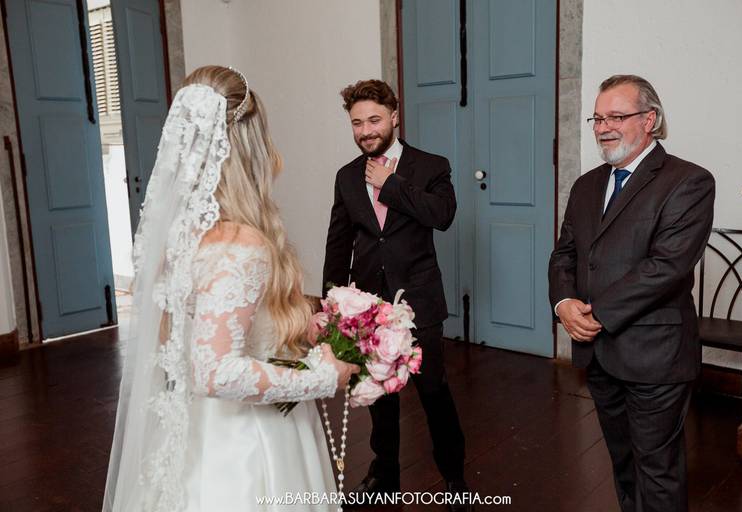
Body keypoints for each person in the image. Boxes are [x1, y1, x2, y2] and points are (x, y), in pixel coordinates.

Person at [102, 65, 359, 512]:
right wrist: (323, 377)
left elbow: (207, 328)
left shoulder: (178, 234)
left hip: (192, 430)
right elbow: (216, 372)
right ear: (248, 145)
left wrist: (297, 323)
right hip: (247, 445)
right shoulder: (241, 245)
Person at [548, 74, 715, 512]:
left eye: (616, 116)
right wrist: (564, 303)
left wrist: (594, 313)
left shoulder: (689, 181)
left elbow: (666, 267)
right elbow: (565, 253)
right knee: (623, 465)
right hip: (599, 354)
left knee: (657, 472)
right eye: (598, 118)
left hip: (655, 354)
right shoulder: (586, 185)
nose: (604, 127)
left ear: (650, 119)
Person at [322, 79, 471, 511]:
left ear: (394, 117)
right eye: (357, 123)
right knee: (379, 395)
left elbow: (443, 215)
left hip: (419, 302)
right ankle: (384, 476)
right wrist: (332, 304)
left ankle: (455, 478)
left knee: (433, 392)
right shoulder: (346, 176)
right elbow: (339, 241)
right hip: (367, 306)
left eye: (374, 120)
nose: (366, 131)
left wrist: (391, 185)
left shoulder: (430, 166)